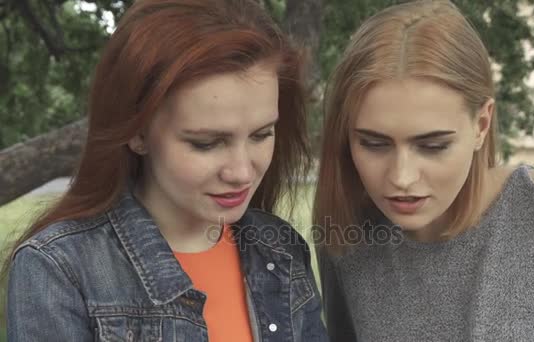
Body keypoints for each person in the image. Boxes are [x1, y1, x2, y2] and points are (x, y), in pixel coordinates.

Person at [5, 0, 328, 341]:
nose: (241, 172)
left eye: (261, 135)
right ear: (137, 132)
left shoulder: (280, 247)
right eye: (206, 143)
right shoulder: (59, 270)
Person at [313, 1, 534, 341]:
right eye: (374, 144)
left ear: (481, 124)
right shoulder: (346, 234)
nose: (402, 177)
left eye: (433, 146)